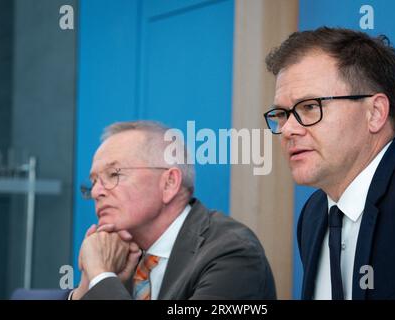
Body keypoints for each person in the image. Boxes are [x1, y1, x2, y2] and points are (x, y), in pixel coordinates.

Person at [263, 27, 395, 299]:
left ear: (375, 113)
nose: (288, 129)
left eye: (309, 107)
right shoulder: (312, 215)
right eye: (281, 114)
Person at [71, 120, 276, 300]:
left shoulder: (232, 253)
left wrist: (101, 276)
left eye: (114, 174)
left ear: (169, 183)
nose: (97, 191)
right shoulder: (120, 255)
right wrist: (85, 287)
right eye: (94, 181)